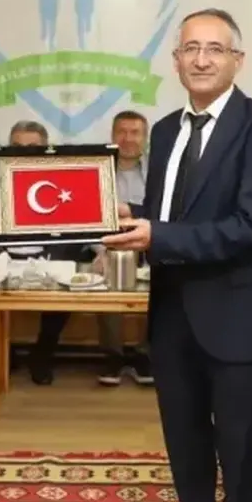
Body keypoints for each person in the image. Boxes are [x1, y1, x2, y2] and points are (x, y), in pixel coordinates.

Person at [103, 8, 252, 502]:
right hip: (172, 313)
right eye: (191, 49)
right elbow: (175, 214)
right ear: (176, 60)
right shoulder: (164, 131)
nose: (202, 59)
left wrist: (157, 235)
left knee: (239, 444)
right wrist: (133, 216)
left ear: (238, 60)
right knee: (183, 435)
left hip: (239, 315)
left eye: (215, 49)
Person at [0, 120, 92, 385]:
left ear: (46, 149)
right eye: (17, 146)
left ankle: (43, 352)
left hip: (50, 253)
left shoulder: (62, 177)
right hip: (1, 252)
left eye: (32, 146)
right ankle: (4, 353)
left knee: (69, 274)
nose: (23, 152)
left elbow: (78, 220)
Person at [96, 110, 154, 387]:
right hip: (108, 245)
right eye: (122, 132)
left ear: (145, 138)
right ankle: (112, 355)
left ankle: (146, 353)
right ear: (112, 135)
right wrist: (99, 250)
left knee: (167, 280)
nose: (128, 138)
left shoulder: (160, 171)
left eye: (135, 132)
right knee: (105, 279)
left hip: (151, 244)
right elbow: (87, 217)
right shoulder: (97, 170)